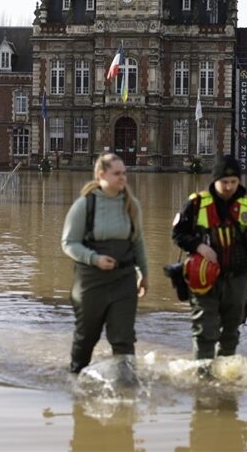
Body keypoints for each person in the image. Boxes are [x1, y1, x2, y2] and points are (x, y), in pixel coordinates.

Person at [171, 154, 247, 362]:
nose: (229, 187)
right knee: (205, 330)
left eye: (233, 182)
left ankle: (224, 374)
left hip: (237, 279)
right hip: (203, 279)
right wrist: (199, 246)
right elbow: (177, 235)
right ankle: (203, 376)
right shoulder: (196, 204)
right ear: (215, 181)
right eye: (224, 182)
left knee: (231, 332)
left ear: (239, 181)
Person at [61, 153, 148, 374]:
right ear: (101, 175)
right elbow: (68, 243)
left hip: (124, 279)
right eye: (117, 173)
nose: (123, 178)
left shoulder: (131, 205)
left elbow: (137, 242)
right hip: (91, 281)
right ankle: (75, 379)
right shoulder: (84, 205)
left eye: (124, 173)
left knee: (124, 337)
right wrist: (94, 259)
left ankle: (126, 387)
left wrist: (144, 274)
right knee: (86, 335)